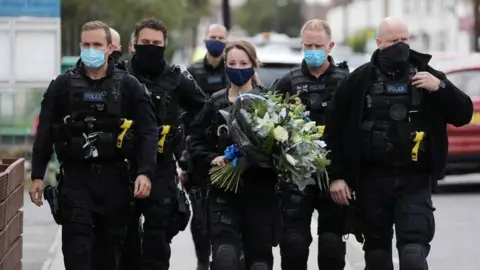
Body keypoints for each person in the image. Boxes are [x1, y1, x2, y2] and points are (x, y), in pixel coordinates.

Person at [325, 17, 473, 270]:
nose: (401, 46)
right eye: (395, 41)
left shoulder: (428, 76)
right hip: (371, 182)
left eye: (405, 40)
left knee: (414, 256)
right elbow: (334, 131)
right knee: (378, 258)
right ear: (379, 43)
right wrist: (337, 176)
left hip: (414, 181)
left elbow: (463, 114)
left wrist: (440, 88)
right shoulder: (359, 81)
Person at [28, 20, 157, 270]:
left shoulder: (129, 86)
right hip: (76, 180)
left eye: (97, 44)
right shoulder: (62, 86)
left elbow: (148, 131)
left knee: (107, 259)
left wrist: (145, 172)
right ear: (80, 46)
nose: (91, 49)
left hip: (115, 181)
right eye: (86, 44)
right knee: (77, 254)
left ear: (110, 48)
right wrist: (36, 175)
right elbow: (44, 132)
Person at [118, 17, 206, 270]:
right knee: (124, 239)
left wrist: (189, 144)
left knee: (158, 236)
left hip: (161, 166)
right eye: (145, 42)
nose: (150, 47)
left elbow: (206, 112)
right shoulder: (120, 76)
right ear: (133, 44)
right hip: (122, 166)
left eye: (156, 43)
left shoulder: (177, 79)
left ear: (165, 44)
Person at [189, 40, 280, 270]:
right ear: (225, 66)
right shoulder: (215, 103)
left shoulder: (269, 103)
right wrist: (212, 158)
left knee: (259, 262)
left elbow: (285, 146)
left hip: (260, 193)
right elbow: (196, 141)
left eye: (243, 63)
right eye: (232, 63)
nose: (238, 68)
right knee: (225, 257)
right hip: (223, 193)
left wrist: (267, 159)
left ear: (254, 65)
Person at [272, 19, 349, 270]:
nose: (313, 50)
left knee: (331, 246)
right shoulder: (288, 82)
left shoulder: (345, 81)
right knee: (293, 246)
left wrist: (347, 176)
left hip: (333, 176)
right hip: (296, 177)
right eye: (308, 45)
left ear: (330, 45)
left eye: (318, 45)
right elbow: (268, 125)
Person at [183, 23, 229, 270]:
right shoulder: (193, 72)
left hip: (228, 151)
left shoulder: (233, 70)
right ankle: (202, 260)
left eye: (221, 38)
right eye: (213, 37)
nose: (217, 42)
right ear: (205, 40)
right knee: (200, 214)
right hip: (199, 151)